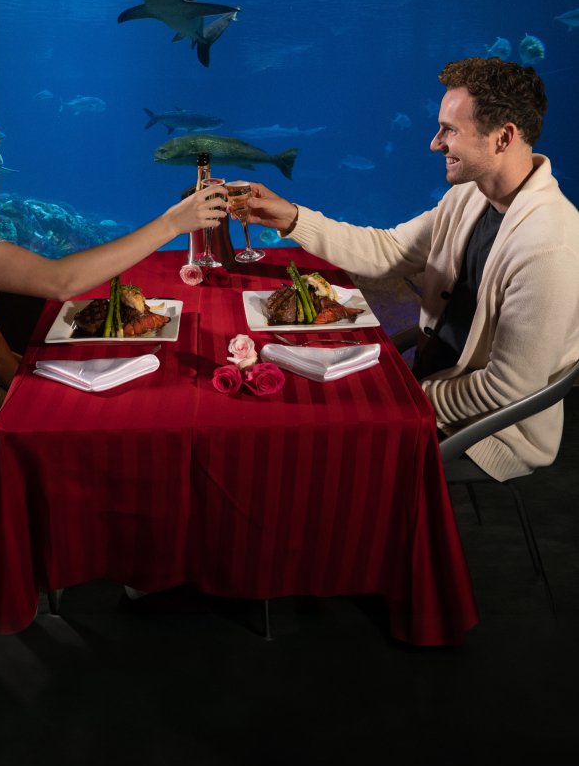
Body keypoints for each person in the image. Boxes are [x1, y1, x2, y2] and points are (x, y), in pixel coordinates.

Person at [0, 81, 225, 509]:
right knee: (110, 466)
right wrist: (171, 224)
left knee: (101, 422)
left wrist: (31, 385)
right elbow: (60, 281)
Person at [245, 58, 579, 481]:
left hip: (489, 429)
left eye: (450, 130)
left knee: (313, 449)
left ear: (503, 138)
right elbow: (389, 250)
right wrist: (291, 217)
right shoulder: (470, 198)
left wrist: (405, 397)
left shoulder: (550, 246)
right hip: (429, 379)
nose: (435, 143)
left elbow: (508, 389)